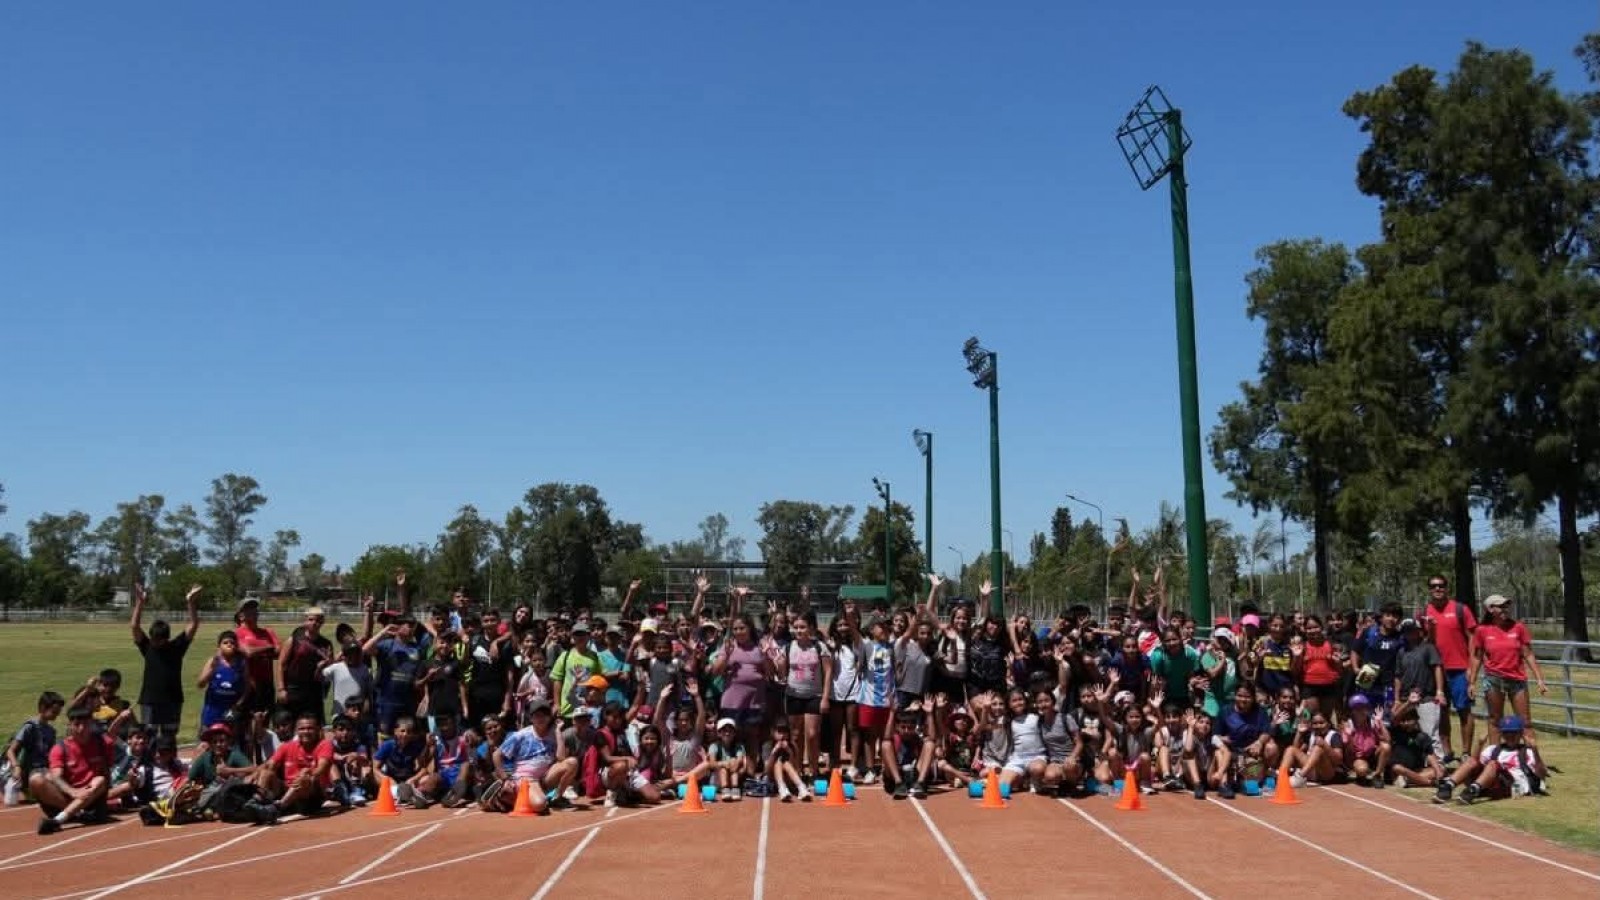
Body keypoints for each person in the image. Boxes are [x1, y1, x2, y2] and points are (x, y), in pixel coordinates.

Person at [33, 706, 126, 834]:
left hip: (93, 798)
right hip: (68, 796)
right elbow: (56, 776)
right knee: (36, 779)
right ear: (69, 725)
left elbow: (112, 735)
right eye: (77, 725)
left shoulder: (101, 743)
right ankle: (79, 813)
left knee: (100, 780)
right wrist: (72, 792)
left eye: (86, 725)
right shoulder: (60, 748)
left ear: (91, 724)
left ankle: (58, 821)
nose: (81, 729)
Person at [1473, 595, 1548, 748]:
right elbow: (1477, 657)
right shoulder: (1482, 630)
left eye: (1506, 606)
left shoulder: (1518, 627)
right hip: (1493, 679)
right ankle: (1494, 760)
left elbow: (1528, 654)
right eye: (1500, 606)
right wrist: (1471, 682)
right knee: (1495, 719)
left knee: (1525, 721)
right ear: (1490, 609)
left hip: (1517, 680)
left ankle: (1532, 759)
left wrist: (1539, 679)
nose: (1504, 609)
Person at [129, 582, 201, 739]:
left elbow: (193, 625)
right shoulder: (147, 647)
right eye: (153, 639)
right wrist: (140, 603)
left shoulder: (176, 647)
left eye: (158, 640)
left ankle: (169, 763)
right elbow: (134, 626)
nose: (154, 642)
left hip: (173, 699)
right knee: (149, 736)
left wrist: (191, 602)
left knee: (170, 736)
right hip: (150, 700)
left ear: (166, 639)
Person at [1419, 575, 1477, 762]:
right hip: (1435, 670)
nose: (1438, 589)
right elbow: (1422, 641)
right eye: (1433, 586)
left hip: (1459, 669)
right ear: (1429, 589)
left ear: (1446, 588)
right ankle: (1447, 751)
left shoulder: (1461, 609)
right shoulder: (1423, 613)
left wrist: (1471, 667)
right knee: (1441, 712)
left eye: (1441, 585)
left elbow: (1472, 638)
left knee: (1464, 710)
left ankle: (1466, 752)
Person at [1435, 715, 1548, 805]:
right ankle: (1448, 787)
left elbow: (1542, 774)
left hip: (1510, 785)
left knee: (1493, 764)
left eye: (1514, 733)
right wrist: (1479, 745)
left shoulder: (1527, 752)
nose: (1510, 737)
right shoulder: (1494, 749)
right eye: (1506, 733)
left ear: (1520, 734)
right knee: (1471, 760)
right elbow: (1472, 764)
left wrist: (1535, 750)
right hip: (1489, 783)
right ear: (1502, 734)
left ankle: (1473, 790)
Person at [258, 713, 334, 818]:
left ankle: (278, 807)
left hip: (311, 796)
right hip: (286, 790)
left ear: (317, 729)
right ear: (296, 731)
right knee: (266, 772)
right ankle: (256, 803)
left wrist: (308, 772)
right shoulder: (287, 746)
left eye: (310, 728)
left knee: (304, 775)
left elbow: (321, 768)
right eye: (302, 729)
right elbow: (269, 765)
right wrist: (257, 776)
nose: (306, 732)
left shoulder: (324, 744)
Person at [276, 607, 334, 725]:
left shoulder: (326, 644)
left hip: (313, 691)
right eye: (311, 619)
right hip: (293, 689)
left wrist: (323, 666)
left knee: (313, 726)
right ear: (305, 621)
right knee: (287, 726)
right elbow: (281, 664)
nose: (314, 623)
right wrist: (281, 689)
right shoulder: (295, 638)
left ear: (322, 622)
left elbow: (328, 672)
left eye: (318, 620)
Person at [5, 691, 64, 806]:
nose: (56, 715)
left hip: (45, 770)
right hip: (31, 771)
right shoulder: (29, 727)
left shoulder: (51, 731)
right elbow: (10, 751)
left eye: (58, 712)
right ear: (42, 708)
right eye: (54, 711)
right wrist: (16, 767)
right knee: (54, 780)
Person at [233, 598, 282, 715]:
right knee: (246, 718)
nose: (254, 612)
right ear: (241, 616)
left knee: (265, 717)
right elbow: (248, 652)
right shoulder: (236, 634)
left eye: (255, 609)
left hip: (267, 683)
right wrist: (268, 647)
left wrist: (260, 651)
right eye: (248, 610)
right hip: (247, 683)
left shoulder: (268, 632)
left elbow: (279, 652)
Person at [198, 630, 251, 732]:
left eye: (232, 643)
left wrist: (238, 704)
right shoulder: (214, 661)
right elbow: (200, 684)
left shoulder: (242, 663)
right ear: (219, 646)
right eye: (225, 643)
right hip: (212, 710)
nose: (229, 645)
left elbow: (247, 687)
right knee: (208, 739)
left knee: (229, 739)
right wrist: (211, 670)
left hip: (230, 711)